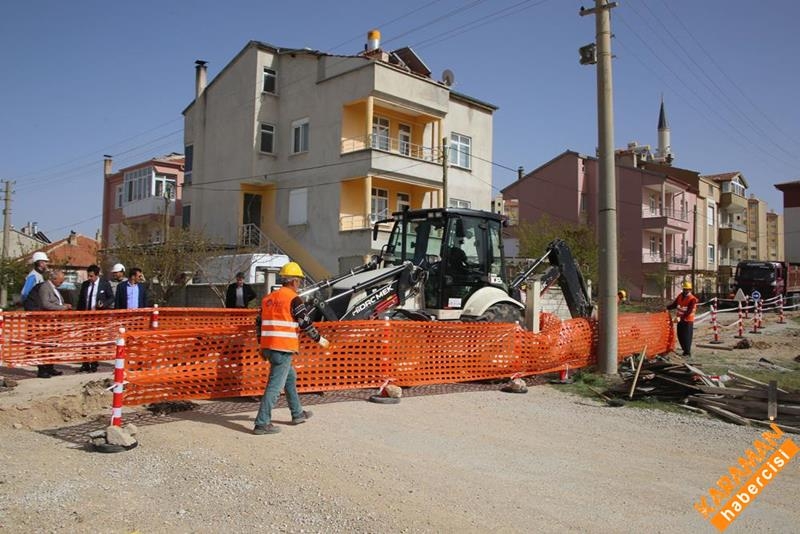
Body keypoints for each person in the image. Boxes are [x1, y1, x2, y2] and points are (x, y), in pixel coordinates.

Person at [253, 261, 329, 435]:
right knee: (274, 386)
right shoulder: (294, 299)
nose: (300, 284)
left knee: (290, 376)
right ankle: (261, 423)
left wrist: (262, 343)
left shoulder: (268, 299)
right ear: (294, 281)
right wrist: (319, 339)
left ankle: (297, 413)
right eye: (299, 281)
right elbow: (304, 323)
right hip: (283, 348)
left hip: (269, 347)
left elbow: (258, 323)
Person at [27, 269, 72, 378]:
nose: (61, 283)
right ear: (54, 278)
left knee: (52, 345)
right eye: (60, 281)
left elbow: (55, 302)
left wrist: (63, 305)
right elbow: (45, 304)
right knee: (44, 345)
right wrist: (62, 308)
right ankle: (42, 369)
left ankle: (50, 367)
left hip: (53, 321)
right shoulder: (45, 287)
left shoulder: (54, 288)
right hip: (45, 321)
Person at [76, 264, 114, 372]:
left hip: (98, 317)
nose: (89, 278)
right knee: (85, 340)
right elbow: (81, 300)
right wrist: (79, 314)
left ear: (97, 275)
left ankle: (94, 362)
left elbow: (111, 297)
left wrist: (104, 304)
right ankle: (85, 362)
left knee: (96, 340)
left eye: (91, 276)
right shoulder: (85, 285)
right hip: (86, 316)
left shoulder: (104, 284)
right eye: (88, 275)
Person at [666, 280, 698, 357]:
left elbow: (689, 311)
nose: (685, 291)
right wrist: (666, 308)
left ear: (690, 290)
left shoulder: (692, 299)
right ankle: (684, 350)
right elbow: (674, 305)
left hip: (688, 320)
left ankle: (687, 352)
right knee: (680, 335)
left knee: (686, 336)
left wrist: (681, 318)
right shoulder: (680, 296)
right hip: (680, 319)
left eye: (687, 289)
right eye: (684, 289)